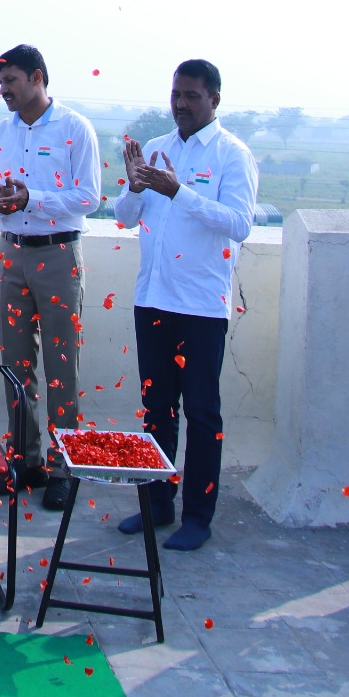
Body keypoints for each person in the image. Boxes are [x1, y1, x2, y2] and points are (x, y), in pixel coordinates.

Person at [114, 59, 258, 551]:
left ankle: (199, 514)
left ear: (214, 99)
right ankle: (157, 503)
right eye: (176, 94)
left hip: (199, 306)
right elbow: (123, 217)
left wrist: (180, 192)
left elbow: (239, 223)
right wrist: (136, 187)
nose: (180, 104)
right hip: (152, 299)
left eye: (192, 96)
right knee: (157, 407)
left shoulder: (232, 155)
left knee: (201, 412)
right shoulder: (156, 149)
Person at [0, 44, 101, 511]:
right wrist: (0, 200)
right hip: (11, 255)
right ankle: (23, 460)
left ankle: (62, 467)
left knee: (60, 367)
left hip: (57, 255)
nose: (4, 90)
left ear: (38, 78)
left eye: (11, 82)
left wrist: (32, 198)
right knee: (15, 363)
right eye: (1, 82)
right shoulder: (0, 131)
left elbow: (89, 197)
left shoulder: (74, 128)